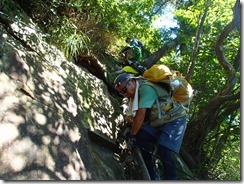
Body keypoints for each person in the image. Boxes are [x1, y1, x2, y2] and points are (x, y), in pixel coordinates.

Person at [114, 73, 187, 180]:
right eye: (121, 93)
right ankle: (151, 174)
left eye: (124, 90)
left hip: (174, 119)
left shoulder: (145, 88)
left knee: (164, 148)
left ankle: (170, 179)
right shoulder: (135, 94)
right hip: (158, 120)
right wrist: (134, 134)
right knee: (141, 136)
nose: (125, 94)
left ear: (132, 81)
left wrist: (132, 135)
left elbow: (141, 113)